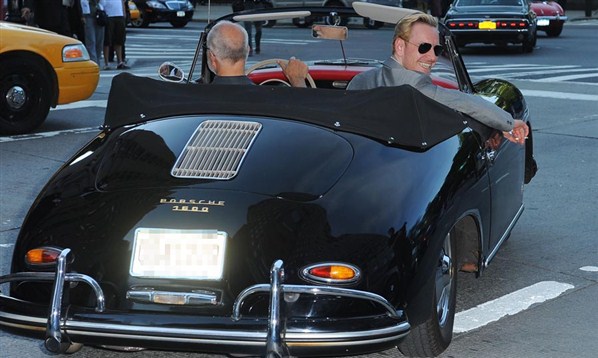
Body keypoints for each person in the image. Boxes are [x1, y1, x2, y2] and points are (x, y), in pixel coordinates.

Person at [347, 12, 528, 145]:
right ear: (400, 46)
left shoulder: (359, 81)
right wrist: (509, 123)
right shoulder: (417, 87)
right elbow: (464, 102)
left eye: (437, 50)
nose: (433, 57)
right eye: (424, 47)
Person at [206, 21, 308, 87]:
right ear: (247, 51)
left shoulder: (197, 98)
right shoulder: (270, 100)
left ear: (212, 57)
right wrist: (298, 81)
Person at [102, 0, 128, 70]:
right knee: (107, 40)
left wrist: (123, 12)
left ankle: (120, 61)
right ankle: (106, 63)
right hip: (108, 15)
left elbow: (122, 1)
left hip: (119, 15)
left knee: (119, 40)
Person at [80, 0, 105, 65]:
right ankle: (94, 62)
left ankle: (97, 61)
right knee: (91, 41)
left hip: (99, 13)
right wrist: (82, 15)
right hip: (88, 15)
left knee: (99, 41)